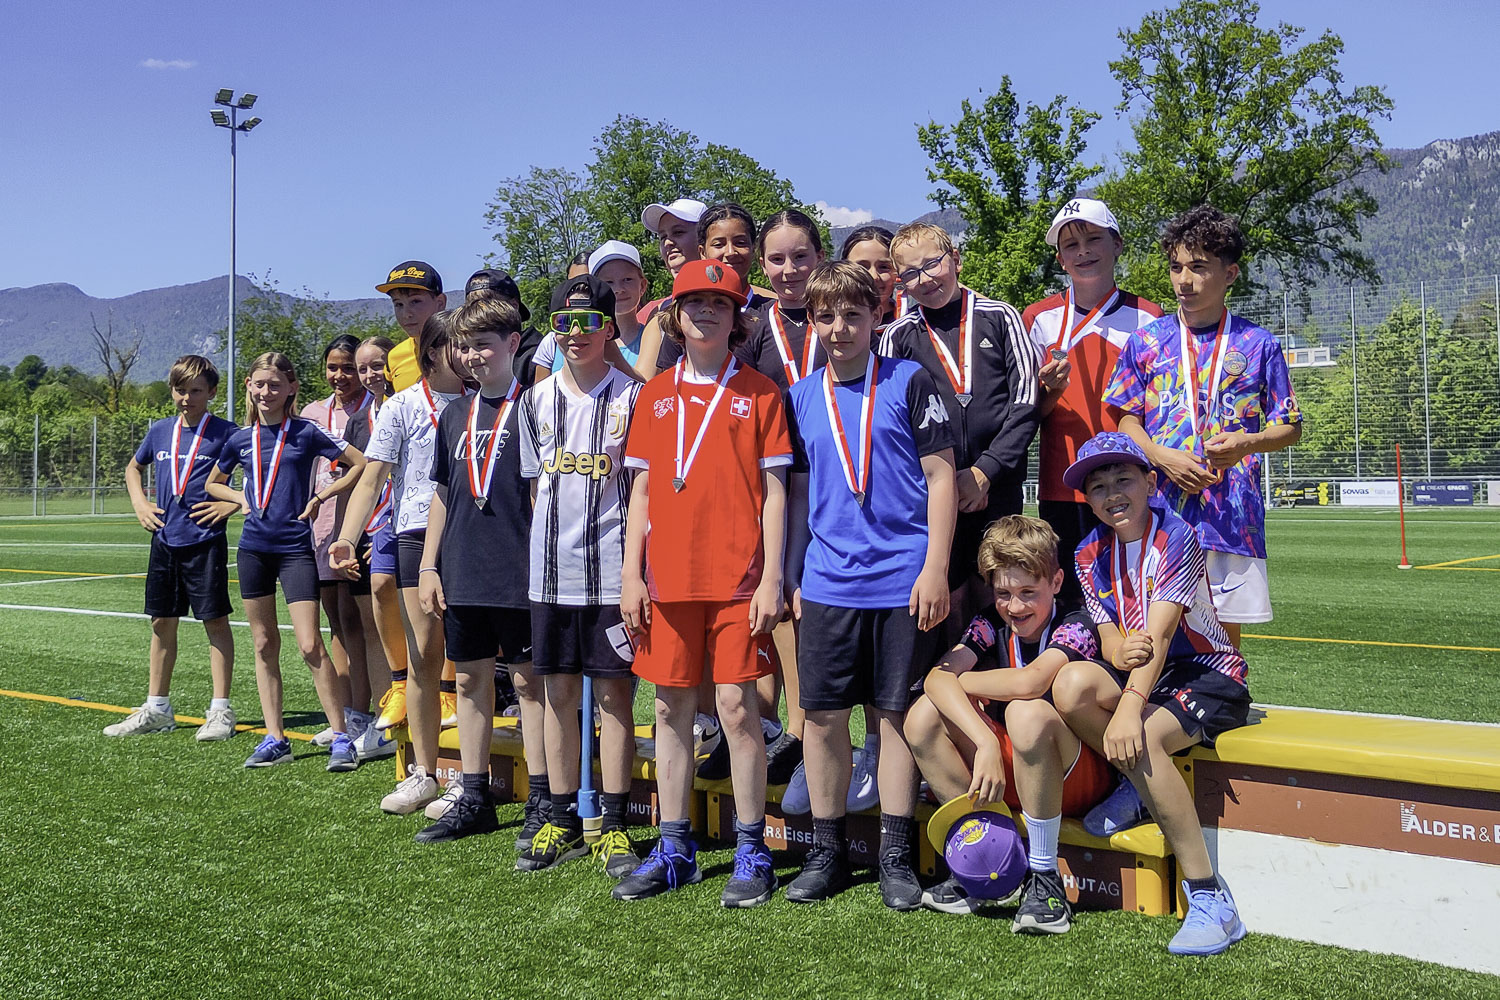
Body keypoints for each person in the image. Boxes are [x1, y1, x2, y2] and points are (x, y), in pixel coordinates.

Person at [614, 259, 791, 907]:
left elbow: (776, 496)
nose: (707, 311)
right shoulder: (655, 393)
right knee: (669, 711)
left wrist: (773, 575)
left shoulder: (762, 393)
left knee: (741, 712)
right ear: (677, 313)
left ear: (736, 314)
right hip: (667, 583)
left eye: (720, 301)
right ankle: (675, 845)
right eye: (695, 301)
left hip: (739, 581)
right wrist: (631, 573)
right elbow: (639, 493)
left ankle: (751, 849)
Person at [782, 261, 956, 908]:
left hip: (902, 582)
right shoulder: (799, 398)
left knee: (893, 721)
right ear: (812, 321)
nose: (839, 328)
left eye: (853, 315)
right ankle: (825, 853)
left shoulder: (911, 382)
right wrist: (795, 573)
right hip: (828, 583)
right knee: (823, 721)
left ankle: (894, 854)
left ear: (876, 317)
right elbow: (797, 500)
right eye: (825, 316)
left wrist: (934, 568)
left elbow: (942, 479)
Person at [1052, 431, 1251, 955]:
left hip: (1209, 671)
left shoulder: (1179, 535)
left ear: (1150, 481)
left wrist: (1130, 707)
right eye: (1097, 486)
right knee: (1070, 687)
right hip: (1149, 674)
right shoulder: (1087, 551)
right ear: (1086, 499)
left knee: (1139, 736)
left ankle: (1212, 898)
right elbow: (1115, 643)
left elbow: (1159, 638)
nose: (1112, 494)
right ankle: (1139, 787)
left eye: (1124, 479)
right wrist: (1120, 654)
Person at [904, 515, 1113, 931]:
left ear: (1055, 582)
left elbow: (1030, 681)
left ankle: (1044, 877)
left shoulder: (1077, 621)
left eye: (1027, 592)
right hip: (1015, 765)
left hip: (1078, 774)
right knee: (923, 717)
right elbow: (934, 680)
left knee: (1026, 711)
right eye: (1003, 593)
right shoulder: (989, 622)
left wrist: (960, 680)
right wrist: (983, 741)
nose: (1015, 607)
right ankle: (982, 857)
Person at [1104, 205, 1302, 644]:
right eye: (1176, 267)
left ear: (1230, 274)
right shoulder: (1147, 341)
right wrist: (1160, 457)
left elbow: (1290, 426)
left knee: (1223, 634)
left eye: (1198, 267)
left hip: (1231, 511)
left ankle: (1226, 699)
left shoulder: (1258, 343)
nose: (1183, 280)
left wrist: (1247, 443)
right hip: (1158, 507)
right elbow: (1124, 419)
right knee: (1151, 628)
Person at [516, 273, 643, 875]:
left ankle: (614, 821)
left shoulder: (634, 397)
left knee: (616, 694)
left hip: (615, 572)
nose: (575, 334)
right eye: (564, 323)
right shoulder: (535, 399)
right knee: (558, 693)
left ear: (608, 327)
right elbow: (530, 485)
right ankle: (562, 815)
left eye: (588, 322)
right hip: (550, 572)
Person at [332, 312, 472, 814]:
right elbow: (372, 476)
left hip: (475, 536)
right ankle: (425, 773)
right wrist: (349, 535)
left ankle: (467, 779)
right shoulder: (402, 407)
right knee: (423, 657)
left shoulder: (486, 398)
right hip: (415, 536)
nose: (468, 353)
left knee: (472, 664)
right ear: (431, 353)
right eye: (457, 344)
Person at [206, 352, 367, 770]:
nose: (266, 392)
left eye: (275, 385)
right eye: (259, 384)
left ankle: (340, 737)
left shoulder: (307, 432)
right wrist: (240, 498)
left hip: (295, 549)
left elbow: (359, 464)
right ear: (248, 386)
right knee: (262, 644)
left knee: (310, 644)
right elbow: (212, 484)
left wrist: (321, 497)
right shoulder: (240, 439)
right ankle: (276, 738)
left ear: (291, 388)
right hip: (254, 550)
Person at [411, 295, 534, 843]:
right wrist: (429, 565)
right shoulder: (455, 414)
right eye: (465, 346)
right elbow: (441, 493)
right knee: (468, 679)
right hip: (462, 566)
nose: (474, 355)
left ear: (512, 344)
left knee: (531, 687)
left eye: (484, 343)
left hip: (521, 569)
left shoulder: (537, 406)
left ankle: (545, 799)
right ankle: (475, 793)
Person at [880, 222, 1040, 616]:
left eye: (932, 264)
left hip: (999, 488)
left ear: (955, 260)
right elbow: (892, 421)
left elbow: (1026, 402)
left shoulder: (1001, 316)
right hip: (933, 493)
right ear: (902, 284)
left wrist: (986, 470)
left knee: (1001, 591)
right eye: (911, 273)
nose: (926, 279)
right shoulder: (899, 336)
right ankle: (944, 677)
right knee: (947, 598)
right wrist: (948, 482)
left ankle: (1002, 672)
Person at [1025, 199, 1162, 602]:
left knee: (1136, 589)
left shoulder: (1149, 316)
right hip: (1063, 480)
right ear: (1060, 258)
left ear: (1117, 244)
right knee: (1072, 595)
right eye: (1071, 244)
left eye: (1093, 238)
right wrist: (1049, 391)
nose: (1083, 251)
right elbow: (1030, 413)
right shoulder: (1037, 318)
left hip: (1129, 479)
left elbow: (1156, 407)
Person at [109, 355, 240, 741]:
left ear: (212, 392)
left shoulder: (228, 433)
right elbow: (133, 468)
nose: (187, 398)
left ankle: (220, 710)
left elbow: (261, 475)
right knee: (160, 622)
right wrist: (139, 503)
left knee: (214, 622)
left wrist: (231, 503)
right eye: (180, 390)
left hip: (205, 540)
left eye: (196, 391)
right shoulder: (160, 430)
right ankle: (158, 708)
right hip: (165, 537)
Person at [302, 335, 379, 750]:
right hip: (322, 528)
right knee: (335, 620)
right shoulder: (313, 412)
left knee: (359, 624)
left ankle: (367, 713)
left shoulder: (373, 409)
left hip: (360, 525)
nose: (341, 376)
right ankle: (346, 713)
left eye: (348, 368)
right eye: (333, 367)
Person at [337, 335, 404, 758]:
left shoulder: (415, 406)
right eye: (363, 368)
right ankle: (386, 718)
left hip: (409, 529)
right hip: (370, 535)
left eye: (377, 365)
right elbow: (360, 483)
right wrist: (352, 535)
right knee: (376, 628)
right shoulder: (358, 422)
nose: (369, 375)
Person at [531, 241, 651, 381]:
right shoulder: (557, 340)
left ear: (642, 286)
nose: (618, 289)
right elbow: (540, 396)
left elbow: (651, 395)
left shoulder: (654, 340)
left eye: (627, 279)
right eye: (608, 283)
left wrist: (613, 355)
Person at [378, 260, 447, 394]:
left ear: (440, 303)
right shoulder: (394, 357)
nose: (406, 314)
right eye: (398, 304)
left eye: (415, 301)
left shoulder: (462, 350)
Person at [638, 197, 708, 321]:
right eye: (663, 237)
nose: (667, 243)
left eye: (678, 232)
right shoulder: (652, 313)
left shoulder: (742, 302)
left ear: (705, 237)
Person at [839, 225, 909, 331]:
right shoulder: (830, 327)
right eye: (862, 267)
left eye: (884, 267)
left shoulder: (916, 327)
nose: (873, 276)